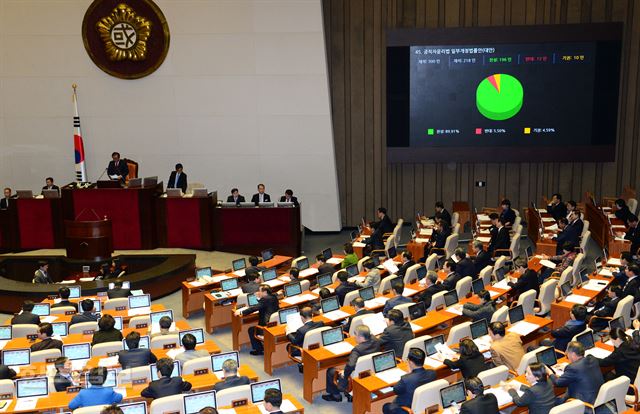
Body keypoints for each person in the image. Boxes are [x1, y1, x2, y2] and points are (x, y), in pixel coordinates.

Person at [323, 325, 380, 402]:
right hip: (370, 373)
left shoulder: (357, 350)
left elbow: (351, 365)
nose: (354, 336)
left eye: (355, 334)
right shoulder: (375, 340)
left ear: (360, 337)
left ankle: (336, 396)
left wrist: (345, 374)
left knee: (330, 371)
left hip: (355, 377)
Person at [548, 341, 604, 405]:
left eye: (568, 353)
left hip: (585, 403)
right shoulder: (592, 358)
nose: (567, 355)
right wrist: (566, 367)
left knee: (552, 403)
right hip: (598, 397)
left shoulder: (573, 368)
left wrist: (549, 372)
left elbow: (558, 383)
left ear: (573, 354)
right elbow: (581, 369)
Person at [382, 348, 436, 414]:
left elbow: (396, 390)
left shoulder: (406, 379)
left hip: (407, 408)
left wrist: (409, 374)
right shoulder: (432, 373)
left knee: (386, 406)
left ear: (410, 362)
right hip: (423, 404)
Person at [235, 285, 279, 355]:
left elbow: (254, 308)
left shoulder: (265, 299)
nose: (258, 292)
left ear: (265, 292)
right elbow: (263, 304)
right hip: (274, 324)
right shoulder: (274, 297)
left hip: (265, 326)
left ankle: (259, 350)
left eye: (260, 291)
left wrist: (241, 312)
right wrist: (259, 298)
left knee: (251, 330)